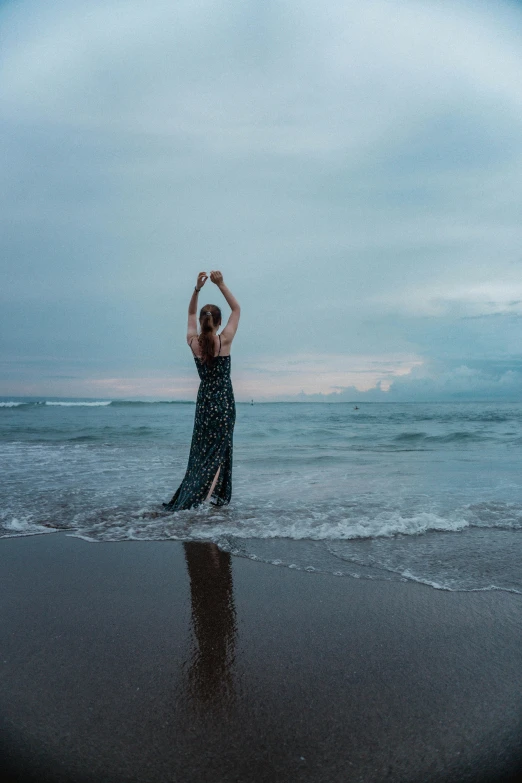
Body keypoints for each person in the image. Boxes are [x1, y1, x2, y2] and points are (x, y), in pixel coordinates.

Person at [163, 270, 240, 510]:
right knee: (219, 453)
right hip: (224, 403)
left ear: (201, 322)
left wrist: (196, 289)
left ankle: (204, 500)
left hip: (204, 402)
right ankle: (204, 503)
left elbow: (190, 312)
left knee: (201, 453)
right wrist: (221, 284)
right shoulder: (224, 340)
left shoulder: (192, 341)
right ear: (218, 322)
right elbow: (237, 310)